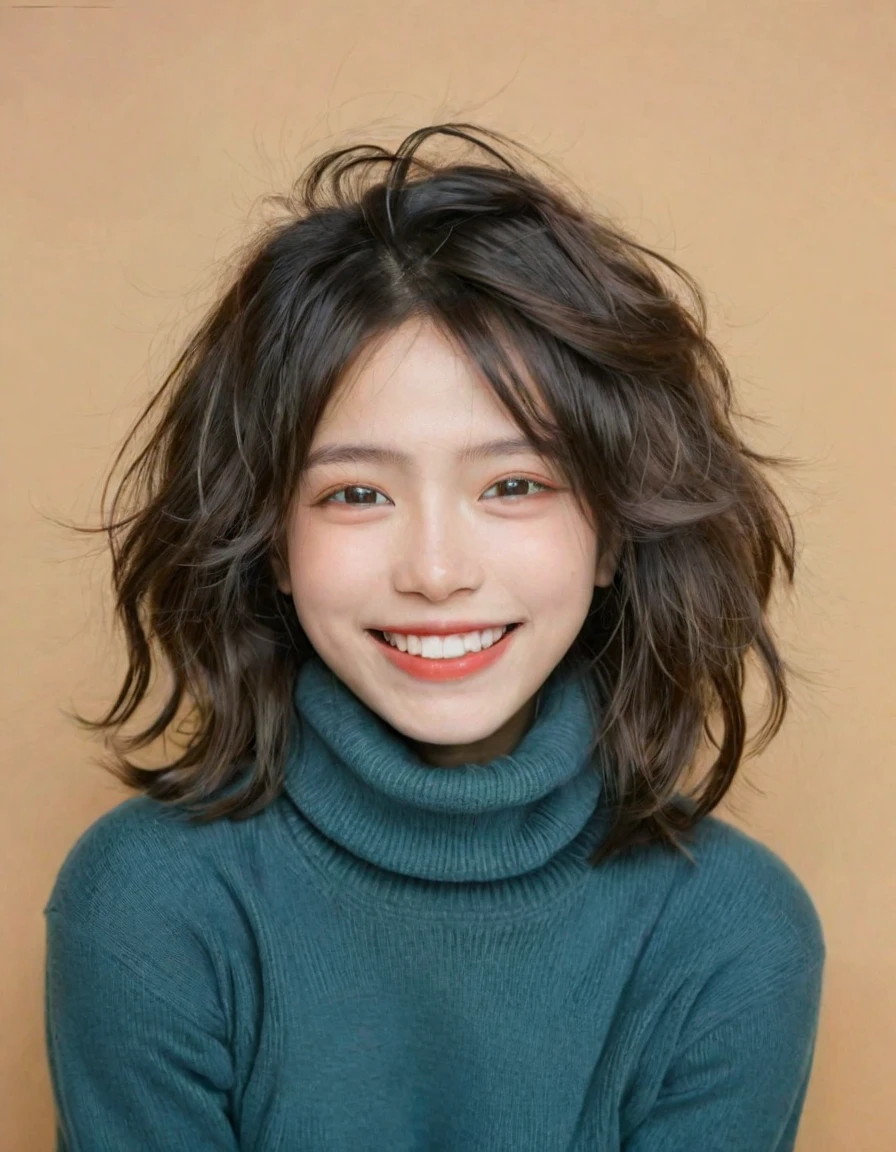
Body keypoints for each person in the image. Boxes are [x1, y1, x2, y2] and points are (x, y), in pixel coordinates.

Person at [42, 123, 825, 1151]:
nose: (436, 570)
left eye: (513, 484)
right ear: (271, 541)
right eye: (356, 492)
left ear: (609, 530)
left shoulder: (731, 934)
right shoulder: (149, 906)